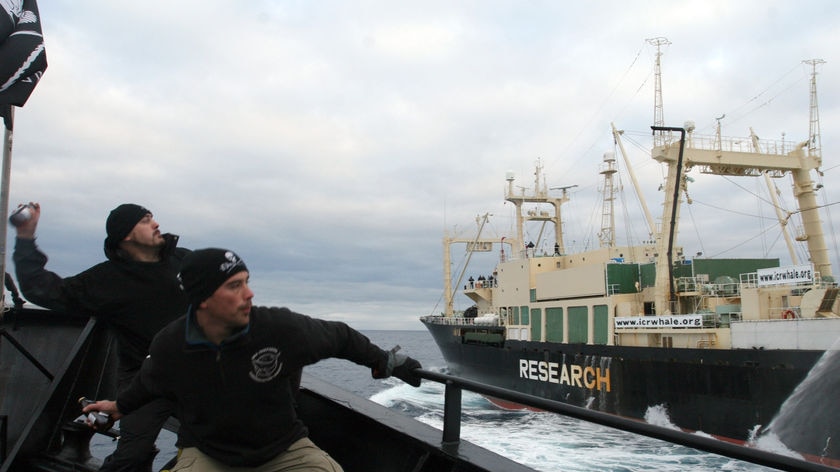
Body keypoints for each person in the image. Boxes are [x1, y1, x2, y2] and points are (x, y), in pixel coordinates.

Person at [83, 248, 423, 471]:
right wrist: (117, 407)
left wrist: (386, 362)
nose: (249, 294)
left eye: (247, 282)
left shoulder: (278, 328)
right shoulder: (171, 345)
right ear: (202, 299)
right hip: (208, 454)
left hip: (281, 451)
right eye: (234, 286)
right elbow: (147, 382)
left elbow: (341, 337)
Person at [12, 202, 190, 471]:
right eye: (145, 220)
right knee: (132, 455)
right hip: (143, 379)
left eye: (153, 218)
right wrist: (26, 238)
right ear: (126, 235)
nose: (156, 224)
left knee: (222, 440)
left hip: (196, 373)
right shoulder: (105, 281)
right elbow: (40, 289)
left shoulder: (186, 262)